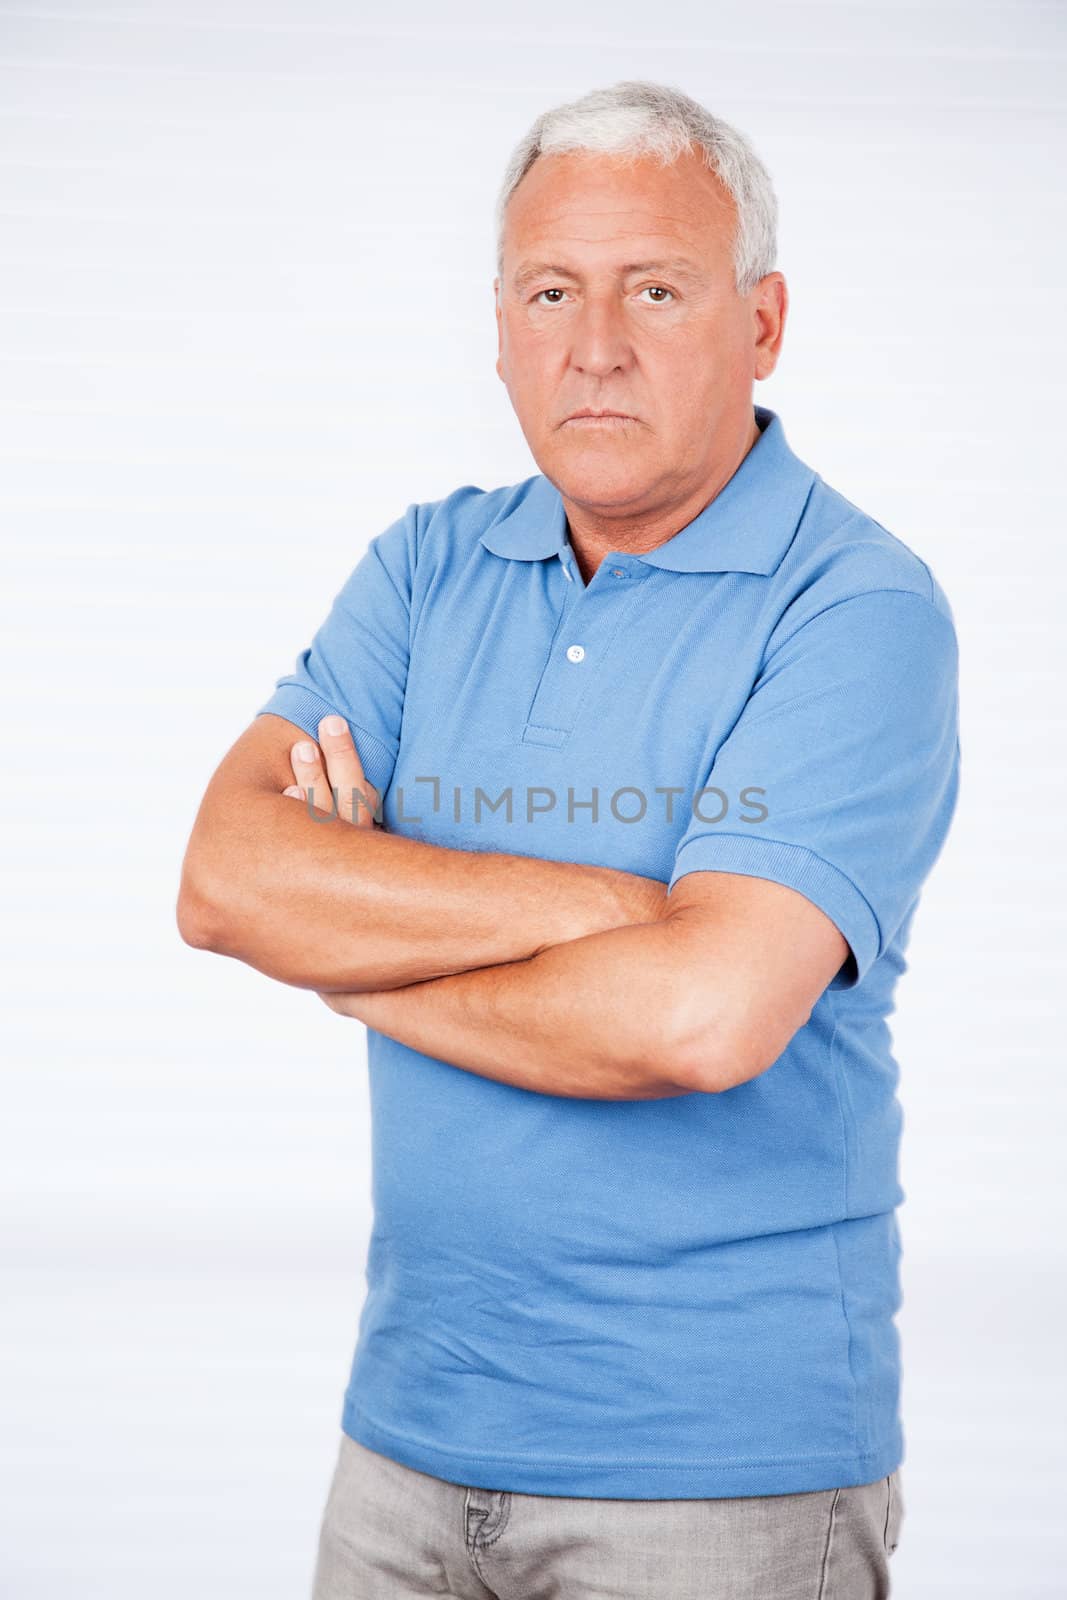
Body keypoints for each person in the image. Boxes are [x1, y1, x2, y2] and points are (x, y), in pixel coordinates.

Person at [177, 78, 959, 1599]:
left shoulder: (853, 610)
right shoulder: (424, 569)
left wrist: (360, 967)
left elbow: (701, 1013)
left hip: (722, 1482)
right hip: (405, 1444)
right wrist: (604, 904)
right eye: (551, 291)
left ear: (764, 324)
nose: (593, 345)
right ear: (499, 326)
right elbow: (224, 879)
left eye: (655, 289)